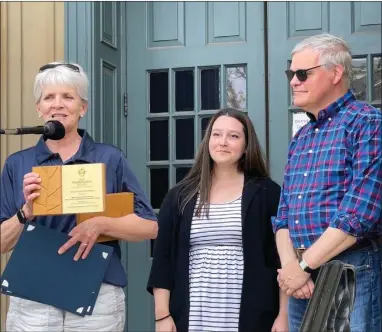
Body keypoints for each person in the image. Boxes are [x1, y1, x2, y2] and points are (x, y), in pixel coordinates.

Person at [0, 62, 158, 331]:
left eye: (68, 96)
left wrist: (101, 224)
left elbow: (149, 226)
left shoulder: (110, 158)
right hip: (33, 296)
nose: (58, 104)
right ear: (39, 108)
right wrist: (25, 212)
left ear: (82, 108)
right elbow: (2, 243)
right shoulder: (17, 164)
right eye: (49, 97)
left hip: (97, 293)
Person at [273, 33, 382, 332]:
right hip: (302, 281)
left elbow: (359, 214)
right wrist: (293, 269)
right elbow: (283, 217)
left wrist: (303, 266)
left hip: (350, 270)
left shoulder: (368, 123)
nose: (293, 81)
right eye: (290, 73)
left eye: (302, 73)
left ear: (335, 73)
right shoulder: (301, 137)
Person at [147, 108, 288, 332]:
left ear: (245, 145)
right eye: (216, 134)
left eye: (233, 136)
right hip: (192, 317)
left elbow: (282, 259)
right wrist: (162, 316)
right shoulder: (180, 196)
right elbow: (163, 261)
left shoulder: (267, 193)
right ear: (208, 141)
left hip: (253, 316)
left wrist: (284, 314)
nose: (223, 142)